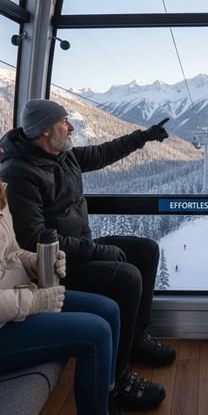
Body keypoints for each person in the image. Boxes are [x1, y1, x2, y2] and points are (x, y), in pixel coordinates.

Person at [0, 99, 175, 412]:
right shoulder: (19, 174)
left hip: (79, 247)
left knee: (146, 251)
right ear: (43, 131)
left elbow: (101, 153)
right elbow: (34, 240)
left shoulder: (62, 153)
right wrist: (97, 250)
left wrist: (142, 137)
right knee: (127, 277)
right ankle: (119, 379)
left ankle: (134, 338)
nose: (71, 127)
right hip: (55, 266)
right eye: (64, 122)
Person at [0, 178, 125, 415]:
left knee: (108, 310)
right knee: (96, 333)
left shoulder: (0, 193)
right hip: (8, 321)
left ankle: (109, 398)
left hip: (18, 300)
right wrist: (33, 303)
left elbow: (12, 252)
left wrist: (35, 263)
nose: (1, 148)